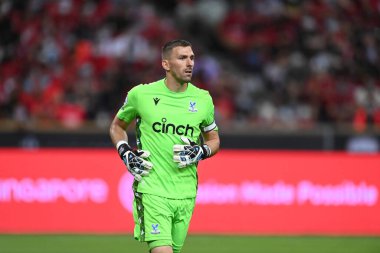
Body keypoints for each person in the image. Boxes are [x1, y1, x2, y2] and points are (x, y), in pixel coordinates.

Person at [109, 39, 220, 253]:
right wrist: (125, 152)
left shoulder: (203, 99)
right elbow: (117, 126)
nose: (190, 63)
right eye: (182, 58)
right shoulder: (141, 95)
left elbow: (214, 140)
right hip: (152, 189)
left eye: (192, 58)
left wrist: (201, 151)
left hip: (186, 192)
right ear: (166, 64)